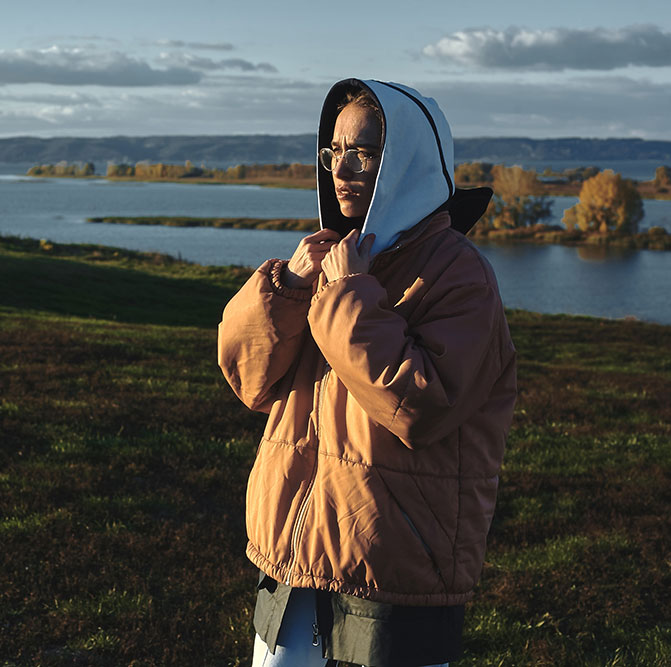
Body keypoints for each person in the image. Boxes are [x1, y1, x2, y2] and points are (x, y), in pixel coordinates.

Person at [217, 78, 517, 667]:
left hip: (392, 561)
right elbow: (250, 381)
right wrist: (286, 291)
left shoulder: (459, 275)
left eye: (365, 151)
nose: (342, 167)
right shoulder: (333, 258)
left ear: (409, 160)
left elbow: (421, 405)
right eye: (333, 151)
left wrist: (347, 294)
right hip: (298, 546)